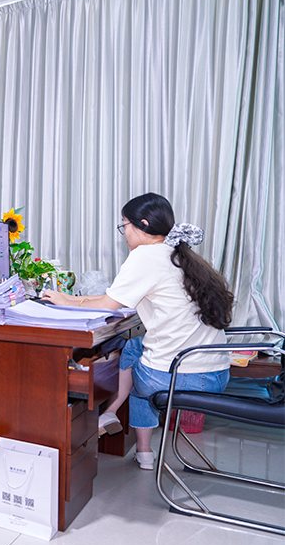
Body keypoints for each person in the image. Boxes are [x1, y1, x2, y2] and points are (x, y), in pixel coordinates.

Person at [43, 193, 233, 470]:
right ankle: (117, 420)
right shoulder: (178, 255)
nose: (124, 234)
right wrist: (70, 299)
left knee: (135, 372)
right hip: (216, 374)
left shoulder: (144, 255)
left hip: (182, 377)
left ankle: (134, 438)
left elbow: (107, 305)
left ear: (141, 224)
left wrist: (67, 303)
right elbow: (111, 297)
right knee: (134, 347)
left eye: (124, 226)